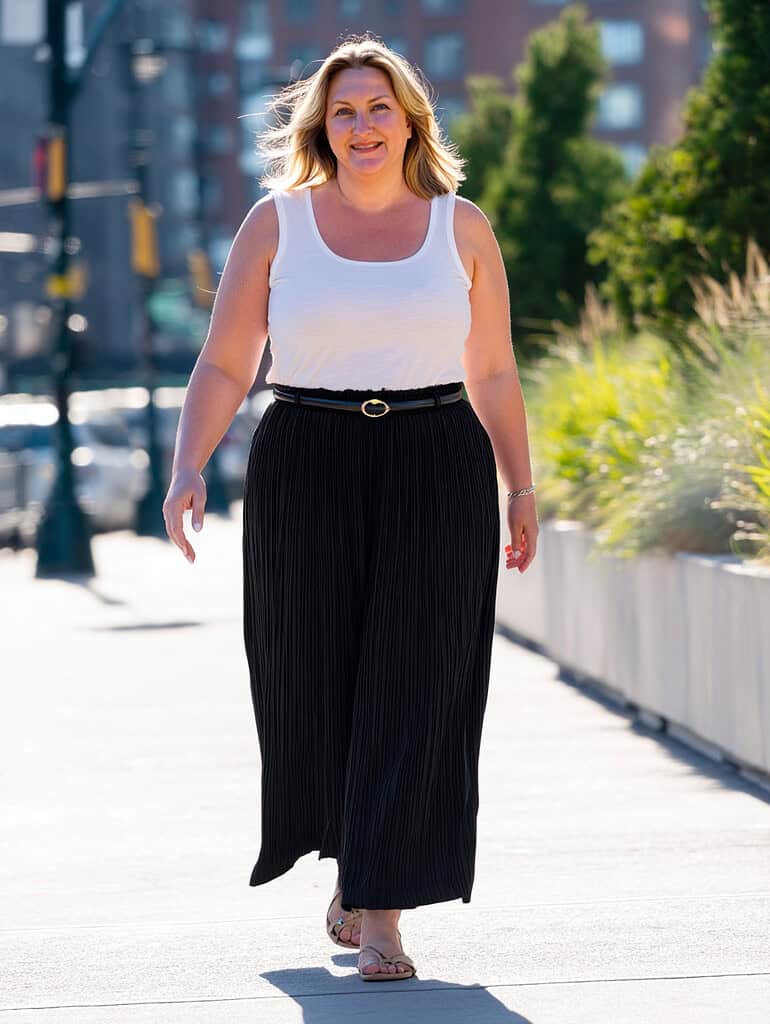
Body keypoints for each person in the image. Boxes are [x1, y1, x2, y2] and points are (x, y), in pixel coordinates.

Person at [162, 34, 538, 983]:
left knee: (420, 683)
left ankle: (382, 913)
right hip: (307, 455)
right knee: (312, 678)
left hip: (438, 458)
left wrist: (521, 486)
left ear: (411, 118)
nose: (363, 126)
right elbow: (225, 360)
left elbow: (492, 367)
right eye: (343, 111)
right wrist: (187, 465)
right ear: (320, 127)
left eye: (379, 108)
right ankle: (354, 860)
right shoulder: (276, 224)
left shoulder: (461, 226)